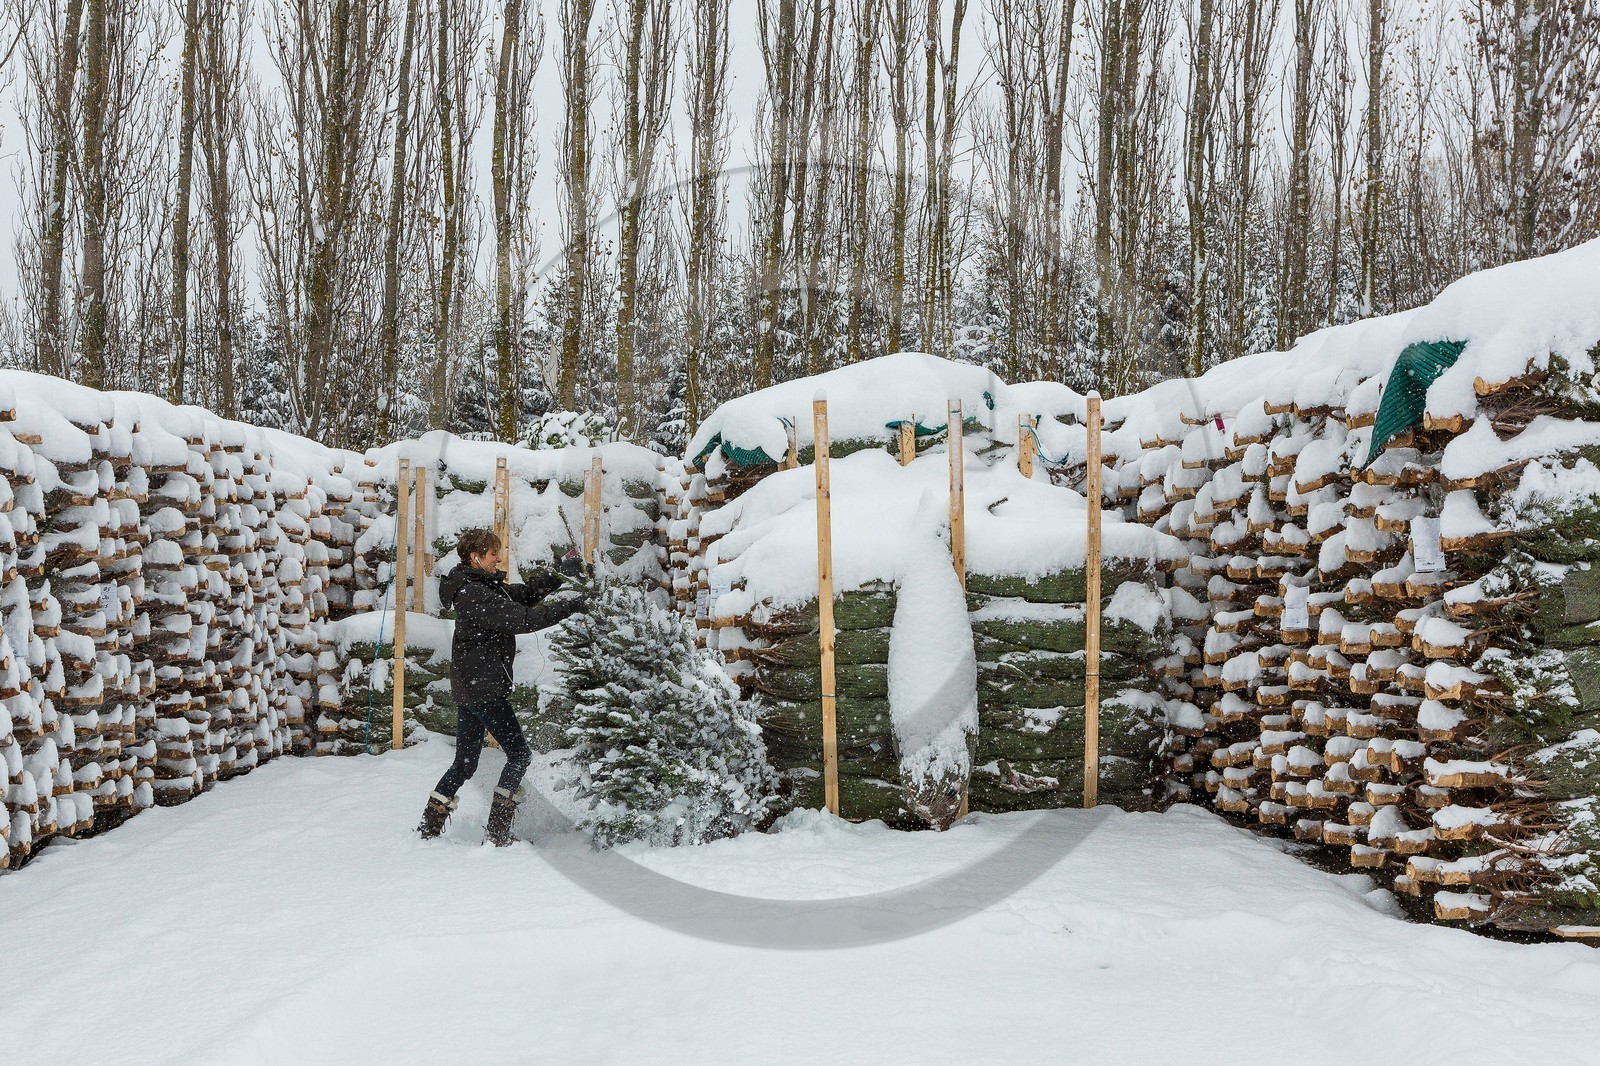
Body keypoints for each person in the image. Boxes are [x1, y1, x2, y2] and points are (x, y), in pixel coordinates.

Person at [418, 529, 589, 846]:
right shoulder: (474, 595)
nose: (499, 557)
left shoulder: (481, 586)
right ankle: (498, 832)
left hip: (471, 688)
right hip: (483, 690)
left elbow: (522, 596)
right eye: (493, 553)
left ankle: (428, 828)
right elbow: (523, 619)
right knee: (520, 755)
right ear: (476, 558)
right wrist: (573, 605)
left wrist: (558, 572)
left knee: (465, 763)